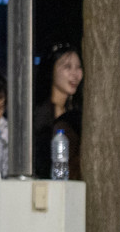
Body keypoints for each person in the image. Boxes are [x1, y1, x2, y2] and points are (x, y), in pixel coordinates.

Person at [33, 43, 83, 179]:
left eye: (79, 67)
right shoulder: (39, 113)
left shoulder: (80, 110)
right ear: (51, 69)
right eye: (67, 67)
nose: (75, 74)